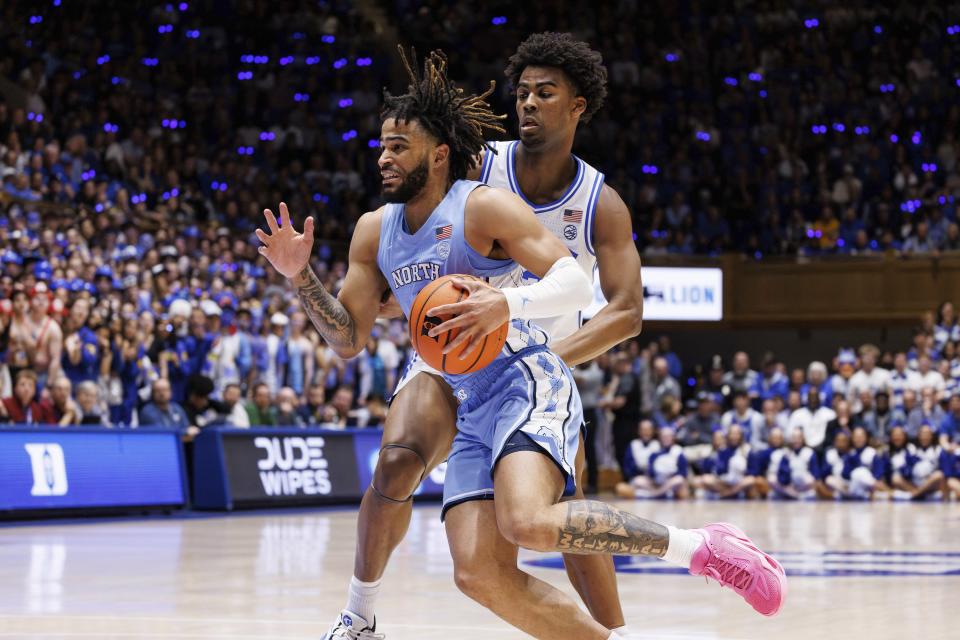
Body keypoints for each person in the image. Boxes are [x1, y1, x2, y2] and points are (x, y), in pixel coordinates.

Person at [257, 46, 784, 640]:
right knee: (472, 564)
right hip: (451, 365)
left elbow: (602, 297)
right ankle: (362, 615)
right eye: (523, 92)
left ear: (438, 153)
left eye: (396, 147)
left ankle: (703, 549)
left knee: (536, 520)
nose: (382, 158)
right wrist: (301, 275)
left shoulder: (559, 203)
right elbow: (353, 333)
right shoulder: (419, 202)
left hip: (524, 361)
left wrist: (506, 309)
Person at [616, 425, 689, 499]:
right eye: (664, 437)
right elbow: (650, 473)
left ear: (673, 438)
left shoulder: (678, 451)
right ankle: (662, 494)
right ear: (660, 438)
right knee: (638, 480)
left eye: (668, 436)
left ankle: (654, 494)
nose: (666, 439)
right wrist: (656, 476)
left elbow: (683, 473)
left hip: (670, 482)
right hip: (656, 483)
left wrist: (670, 474)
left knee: (679, 480)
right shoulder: (655, 453)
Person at [767, 429, 820, 500]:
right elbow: (780, 473)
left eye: (798, 438)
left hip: (802, 485)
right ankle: (793, 494)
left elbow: (815, 474)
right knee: (771, 479)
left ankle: (793, 495)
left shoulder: (809, 452)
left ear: (802, 439)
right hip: (786, 484)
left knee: (808, 480)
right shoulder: (784, 452)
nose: (796, 440)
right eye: (794, 438)